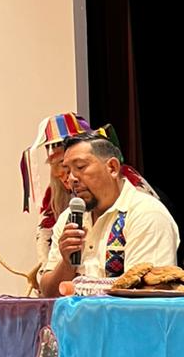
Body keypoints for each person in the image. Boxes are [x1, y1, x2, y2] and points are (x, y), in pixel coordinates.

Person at [39, 133, 179, 297]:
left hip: (125, 322)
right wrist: (67, 263)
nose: (71, 178)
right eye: (67, 170)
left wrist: (81, 287)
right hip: (75, 322)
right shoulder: (69, 218)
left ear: (112, 167)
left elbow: (145, 293)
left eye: (80, 167)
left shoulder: (146, 213)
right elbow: (48, 294)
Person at [21, 113, 162, 266]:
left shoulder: (132, 190)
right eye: (64, 166)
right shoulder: (57, 199)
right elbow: (45, 235)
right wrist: (51, 265)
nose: (67, 176)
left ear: (112, 167)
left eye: (79, 166)